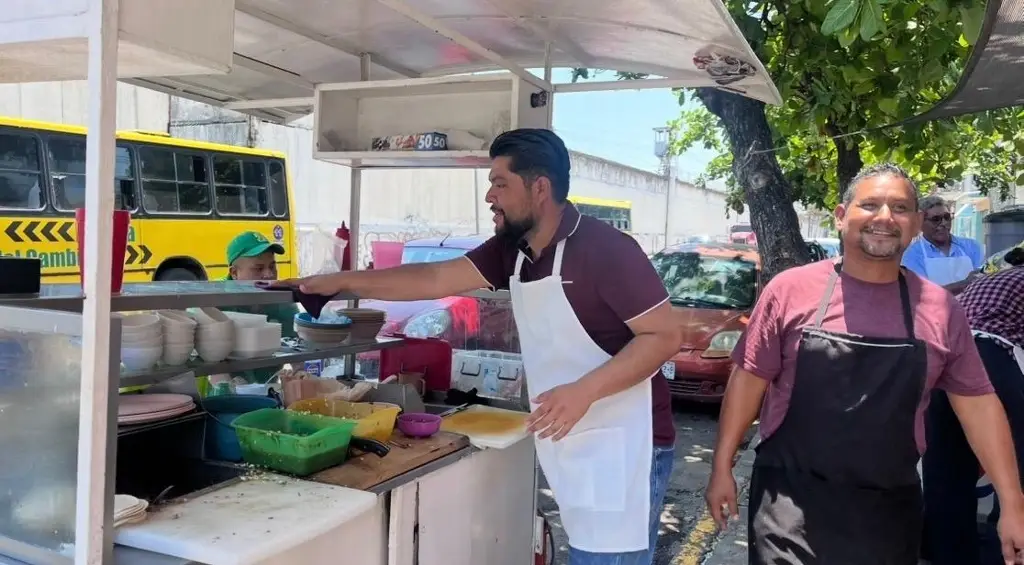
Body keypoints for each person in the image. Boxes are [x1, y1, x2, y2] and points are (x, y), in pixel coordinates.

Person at [277, 128, 683, 564]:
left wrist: (584, 392)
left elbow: (664, 337)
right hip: (571, 434)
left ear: (540, 188)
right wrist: (337, 282)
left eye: (500, 183)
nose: (490, 196)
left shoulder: (607, 250)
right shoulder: (514, 251)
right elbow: (433, 278)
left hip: (626, 443)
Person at [704, 163, 1024, 565]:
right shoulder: (789, 290)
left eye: (900, 208)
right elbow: (749, 378)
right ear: (841, 217)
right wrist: (722, 465)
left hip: (888, 512)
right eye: (870, 205)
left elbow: (978, 405)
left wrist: (1012, 502)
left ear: (915, 224)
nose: (884, 217)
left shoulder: (941, 309)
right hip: (787, 504)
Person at [923, 247, 1024, 565]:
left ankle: (947, 555)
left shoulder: (983, 280)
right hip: (993, 357)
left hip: (944, 363)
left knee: (946, 472)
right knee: (1018, 467)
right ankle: (1010, 551)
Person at [221, 231, 297, 383]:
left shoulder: (283, 304)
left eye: (272, 266)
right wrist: (227, 387)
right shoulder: (216, 305)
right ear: (234, 273)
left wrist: (301, 374)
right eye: (258, 268)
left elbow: (298, 349)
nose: (268, 275)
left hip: (269, 389)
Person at [901, 195, 985, 293]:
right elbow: (921, 294)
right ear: (920, 223)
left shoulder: (972, 246)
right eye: (936, 219)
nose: (944, 223)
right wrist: (964, 284)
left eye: (947, 217)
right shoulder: (912, 255)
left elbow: (984, 280)